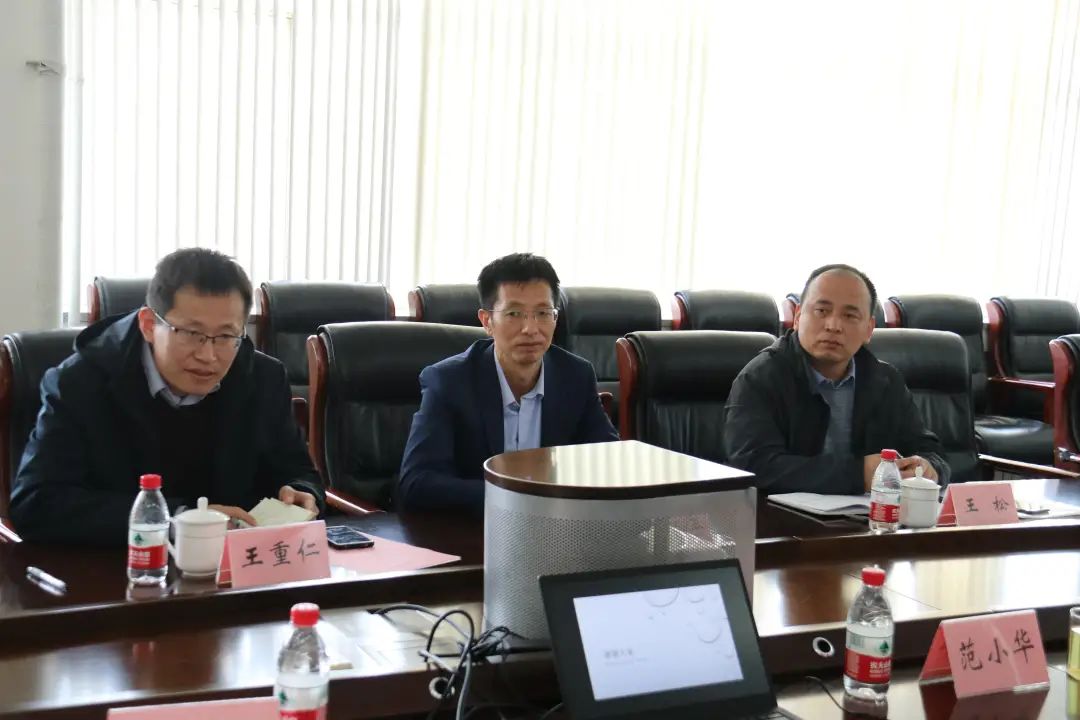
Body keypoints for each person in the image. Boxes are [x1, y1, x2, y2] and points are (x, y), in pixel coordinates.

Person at [10, 248, 324, 545]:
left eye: (226, 336)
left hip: (234, 569)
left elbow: (297, 469)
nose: (208, 355)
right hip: (123, 568)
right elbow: (36, 504)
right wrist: (179, 519)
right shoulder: (79, 383)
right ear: (149, 325)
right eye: (191, 333)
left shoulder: (264, 379)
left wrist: (301, 491)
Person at [396, 252, 619, 515]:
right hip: (476, 530)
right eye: (514, 313)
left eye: (543, 313)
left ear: (555, 318)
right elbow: (417, 484)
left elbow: (609, 462)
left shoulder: (575, 376)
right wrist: (518, 499)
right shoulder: (449, 381)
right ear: (487, 321)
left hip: (556, 528)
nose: (530, 329)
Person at [724, 263, 950, 494]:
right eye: (822, 311)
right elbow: (753, 467)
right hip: (780, 514)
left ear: (869, 329)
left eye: (850, 315)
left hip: (870, 515)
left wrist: (928, 467)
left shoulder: (885, 381)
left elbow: (930, 451)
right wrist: (859, 475)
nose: (833, 326)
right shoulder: (760, 378)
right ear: (798, 317)